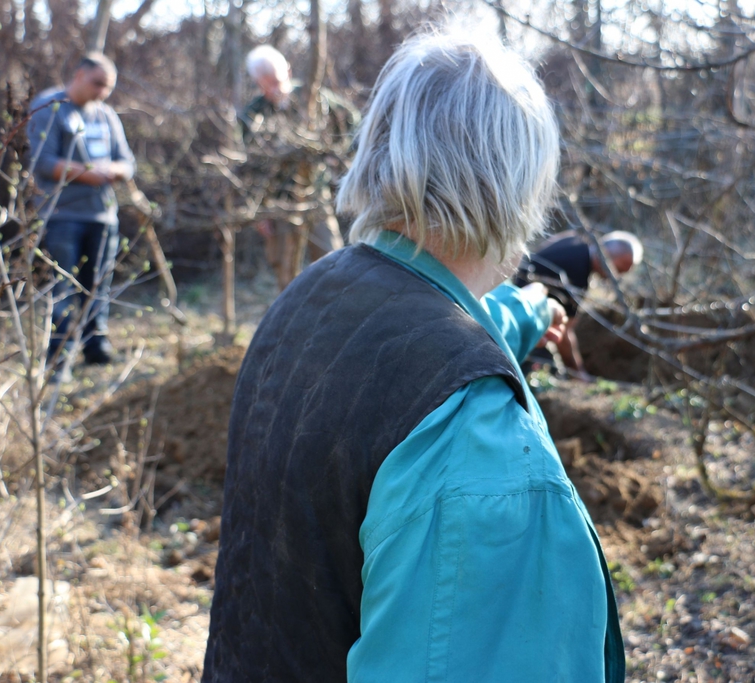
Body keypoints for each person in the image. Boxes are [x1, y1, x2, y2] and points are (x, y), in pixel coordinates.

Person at [203, 32, 624, 683]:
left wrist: (533, 306)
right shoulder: (474, 438)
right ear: (519, 184)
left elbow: (420, 337)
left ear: (378, 147)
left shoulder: (313, 297)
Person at [27, 53, 135, 370]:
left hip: (102, 215)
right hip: (62, 215)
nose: (102, 91)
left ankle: (95, 346)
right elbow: (43, 162)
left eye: (108, 87)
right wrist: (88, 173)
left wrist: (111, 171)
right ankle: (59, 354)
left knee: (98, 285)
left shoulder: (106, 116)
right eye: (97, 83)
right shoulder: (50, 107)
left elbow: (127, 163)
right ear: (78, 75)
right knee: (64, 286)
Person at [240, 44, 359, 290]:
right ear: (257, 84)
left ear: (289, 71)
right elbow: (249, 168)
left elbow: (352, 122)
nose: (274, 89)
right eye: (266, 84)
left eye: (277, 80)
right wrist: (258, 211)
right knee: (286, 273)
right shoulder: (253, 115)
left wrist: (336, 155)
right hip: (278, 204)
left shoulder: (312, 97)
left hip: (315, 197)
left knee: (333, 262)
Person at [515, 228, 643, 381]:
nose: (616, 277)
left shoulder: (576, 240)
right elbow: (564, 331)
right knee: (547, 373)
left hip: (517, 300)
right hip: (522, 322)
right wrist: (578, 372)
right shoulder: (577, 275)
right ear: (607, 256)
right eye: (618, 270)